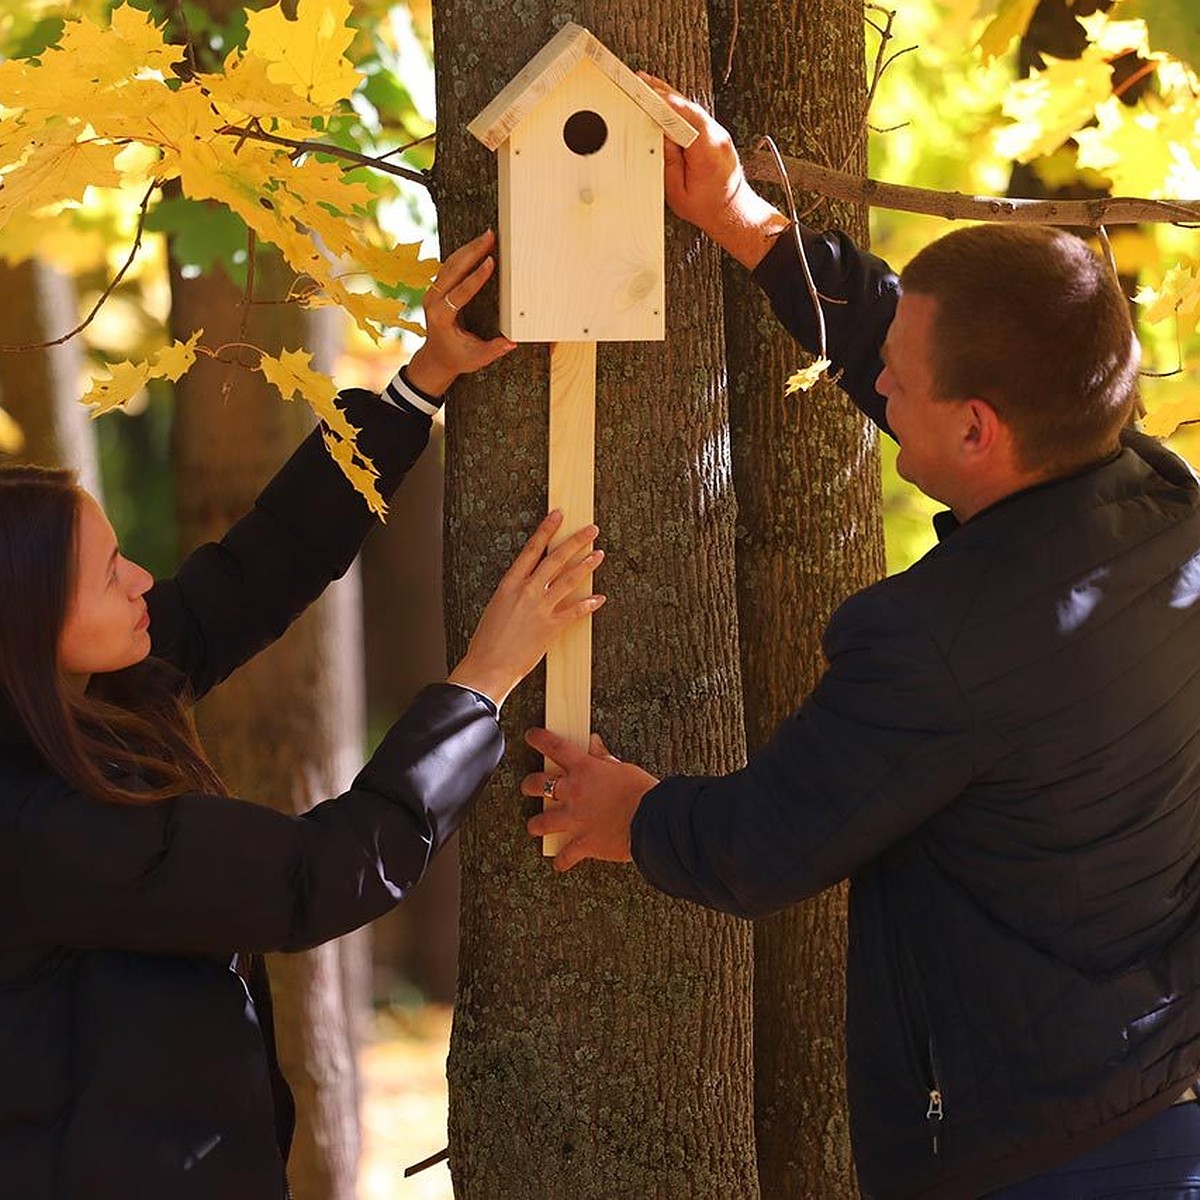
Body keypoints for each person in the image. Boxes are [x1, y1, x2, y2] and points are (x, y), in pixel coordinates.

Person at [521, 82, 1200, 1199]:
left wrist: (630, 813)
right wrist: (745, 221)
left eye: (902, 379)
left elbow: (767, 840)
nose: (878, 379)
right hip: (1155, 1110)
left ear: (979, 429)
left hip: (1032, 1160)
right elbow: (918, 345)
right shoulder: (1159, 505)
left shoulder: (933, 642)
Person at [0, 230, 605, 1200]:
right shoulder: (47, 826)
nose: (140, 578)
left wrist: (424, 381)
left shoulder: (93, 697)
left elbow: (259, 568)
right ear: (30, 627)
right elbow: (317, 877)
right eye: (108, 573)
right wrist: (481, 681)